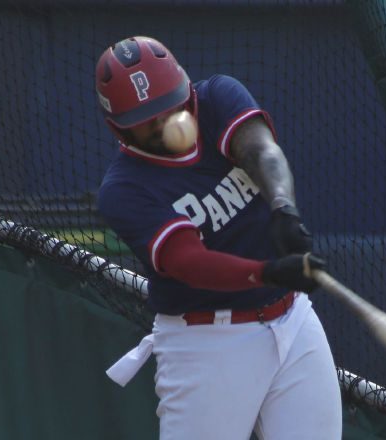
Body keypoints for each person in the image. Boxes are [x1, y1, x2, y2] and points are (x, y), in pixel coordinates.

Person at [94, 36, 342, 439]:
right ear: (119, 130)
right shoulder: (124, 190)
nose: (167, 123)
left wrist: (283, 207)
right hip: (205, 344)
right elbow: (190, 262)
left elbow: (262, 151)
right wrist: (270, 272)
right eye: (148, 120)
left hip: (292, 321)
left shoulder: (217, 98)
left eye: (171, 107)